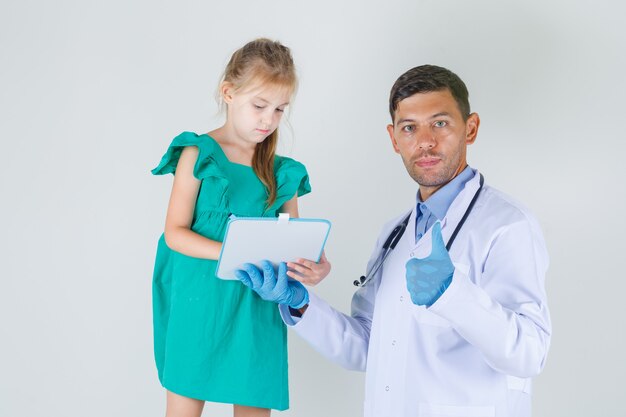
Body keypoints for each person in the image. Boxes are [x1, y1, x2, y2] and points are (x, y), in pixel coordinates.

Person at [235, 65, 551, 417]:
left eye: (441, 123)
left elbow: (529, 352)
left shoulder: (507, 225)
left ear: (471, 128)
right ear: (394, 138)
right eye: (409, 128)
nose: (425, 141)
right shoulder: (394, 233)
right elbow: (368, 346)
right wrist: (300, 302)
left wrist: (454, 294)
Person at [150, 38, 329, 417]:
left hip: (255, 309)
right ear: (228, 93)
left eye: (280, 110)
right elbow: (174, 232)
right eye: (259, 106)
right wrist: (233, 251)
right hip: (199, 304)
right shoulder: (199, 155)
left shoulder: (283, 173)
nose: (268, 120)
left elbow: (297, 240)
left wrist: (317, 266)